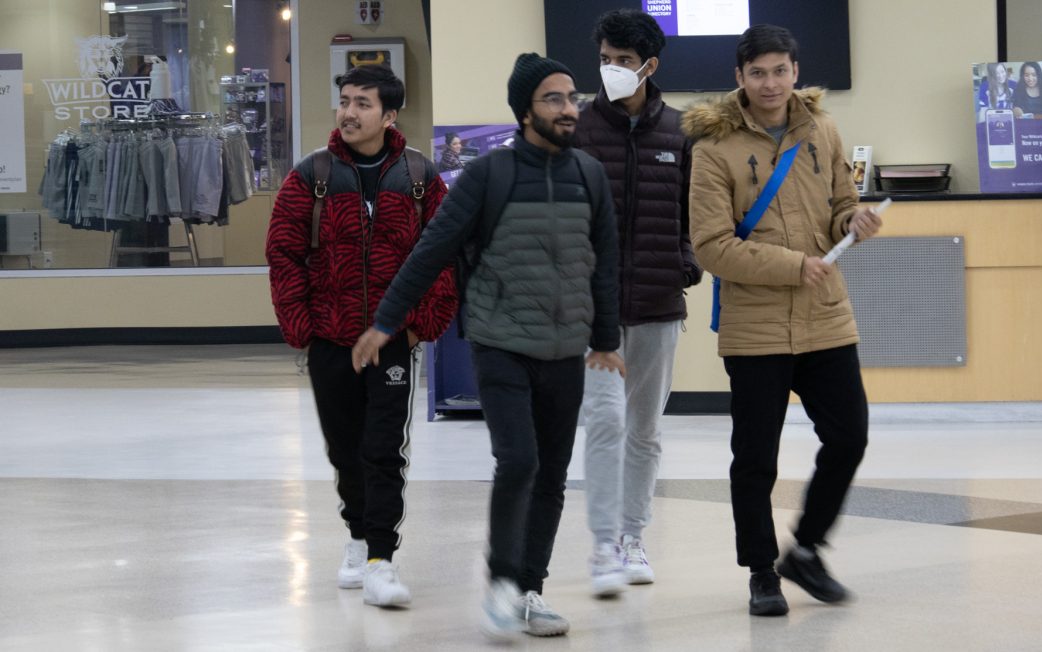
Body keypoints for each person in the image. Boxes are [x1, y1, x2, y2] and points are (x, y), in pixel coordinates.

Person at [350, 53, 624, 639]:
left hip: (565, 349)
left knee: (552, 474)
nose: (569, 108)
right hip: (501, 343)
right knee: (520, 461)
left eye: (571, 97)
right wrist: (386, 322)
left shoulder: (589, 174)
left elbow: (604, 263)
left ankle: (529, 591)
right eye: (554, 99)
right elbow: (432, 251)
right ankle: (501, 580)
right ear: (525, 110)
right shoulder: (488, 175)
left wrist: (605, 337)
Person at [681, 24, 882, 617]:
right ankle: (762, 571)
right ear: (739, 78)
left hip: (825, 318)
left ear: (796, 71)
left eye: (780, 70)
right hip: (756, 325)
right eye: (758, 72)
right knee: (756, 459)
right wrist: (794, 265)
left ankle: (808, 550)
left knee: (849, 437)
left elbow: (841, 204)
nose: (770, 83)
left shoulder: (822, 129)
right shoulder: (713, 149)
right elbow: (712, 246)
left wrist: (855, 223)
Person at [265, 64, 456, 608]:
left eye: (363, 103)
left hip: (393, 339)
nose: (348, 111)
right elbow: (283, 252)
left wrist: (422, 325)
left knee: (383, 450)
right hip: (330, 341)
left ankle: (380, 559)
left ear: (389, 115)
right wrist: (300, 327)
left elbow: (443, 254)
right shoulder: (312, 175)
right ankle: (356, 535)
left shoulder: (420, 177)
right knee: (344, 450)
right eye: (344, 101)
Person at [571, 7, 702, 598]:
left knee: (643, 431)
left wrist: (686, 262)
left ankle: (631, 534)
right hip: (591, 309)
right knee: (602, 422)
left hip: (656, 302)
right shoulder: (577, 129)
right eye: (605, 60)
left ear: (649, 65)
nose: (612, 71)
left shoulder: (682, 132)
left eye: (624, 62)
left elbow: (698, 216)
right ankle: (603, 542)